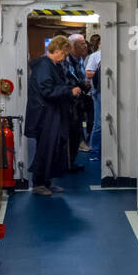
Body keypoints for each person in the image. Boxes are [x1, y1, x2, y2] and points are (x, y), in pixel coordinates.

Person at [26, 35, 83, 196]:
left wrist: (69, 89)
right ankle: (38, 183)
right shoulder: (44, 66)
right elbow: (47, 90)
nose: (65, 58)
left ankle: (47, 181)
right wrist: (69, 91)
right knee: (45, 148)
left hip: (53, 114)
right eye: (64, 54)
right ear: (56, 50)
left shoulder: (52, 65)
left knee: (53, 148)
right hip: (45, 115)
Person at [86, 33, 102, 160]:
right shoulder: (95, 56)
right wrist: (100, 71)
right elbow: (88, 73)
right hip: (99, 92)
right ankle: (94, 152)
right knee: (99, 123)